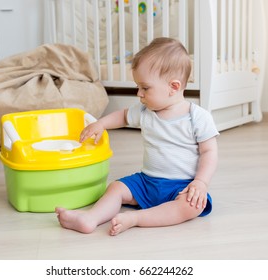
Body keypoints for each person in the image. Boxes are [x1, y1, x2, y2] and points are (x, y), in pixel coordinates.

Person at [55, 37, 219, 236]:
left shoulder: (198, 117)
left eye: (145, 88)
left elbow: (209, 152)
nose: (139, 94)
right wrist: (101, 124)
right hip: (146, 181)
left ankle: (136, 219)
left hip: (181, 186)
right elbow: (123, 116)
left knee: (192, 206)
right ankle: (91, 218)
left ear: (173, 87)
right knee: (116, 188)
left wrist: (200, 183)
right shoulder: (145, 111)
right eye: (138, 87)